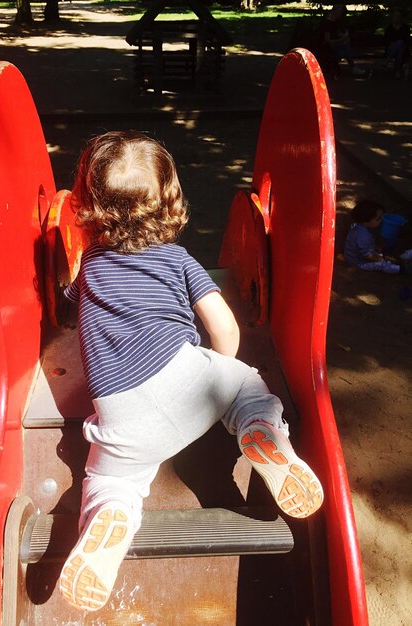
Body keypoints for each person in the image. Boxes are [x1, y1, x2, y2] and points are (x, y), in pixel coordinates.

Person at [58, 131, 324, 612]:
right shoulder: (178, 259)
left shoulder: (91, 266)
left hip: (123, 415)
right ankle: (261, 431)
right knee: (247, 386)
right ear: (169, 200)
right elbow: (223, 325)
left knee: (110, 481)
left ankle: (110, 515)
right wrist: (225, 369)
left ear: (89, 204)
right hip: (192, 379)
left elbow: (69, 312)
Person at [344, 200, 401, 273]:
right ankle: (400, 269)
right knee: (382, 265)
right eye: (378, 219)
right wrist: (380, 259)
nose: (381, 220)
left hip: (353, 254)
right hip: (358, 262)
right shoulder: (363, 236)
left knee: (380, 251)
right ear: (365, 221)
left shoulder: (359, 226)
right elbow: (367, 256)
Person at [318, 4, 366, 77]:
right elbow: (327, 40)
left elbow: (338, 33)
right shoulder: (327, 24)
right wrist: (341, 40)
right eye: (340, 12)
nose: (341, 14)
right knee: (345, 48)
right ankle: (352, 67)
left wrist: (345, 37)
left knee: (346, 47)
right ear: (334, 12)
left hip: (335, 45)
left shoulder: (336, 22)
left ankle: (351, 67)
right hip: (328, 46)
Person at [383, 9, 410, 79]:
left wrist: (397, 43)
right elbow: (386, 40)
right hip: (391, 49)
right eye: (395, 16)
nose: (396, 18)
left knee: (400, 47)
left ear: (401, 17)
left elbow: (406, 40)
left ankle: (391, 62)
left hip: (404, 49)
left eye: (398, 16)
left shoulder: (405, 28)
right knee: (399, 46)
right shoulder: (389, 28)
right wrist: (394, 44)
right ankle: (397, 71)